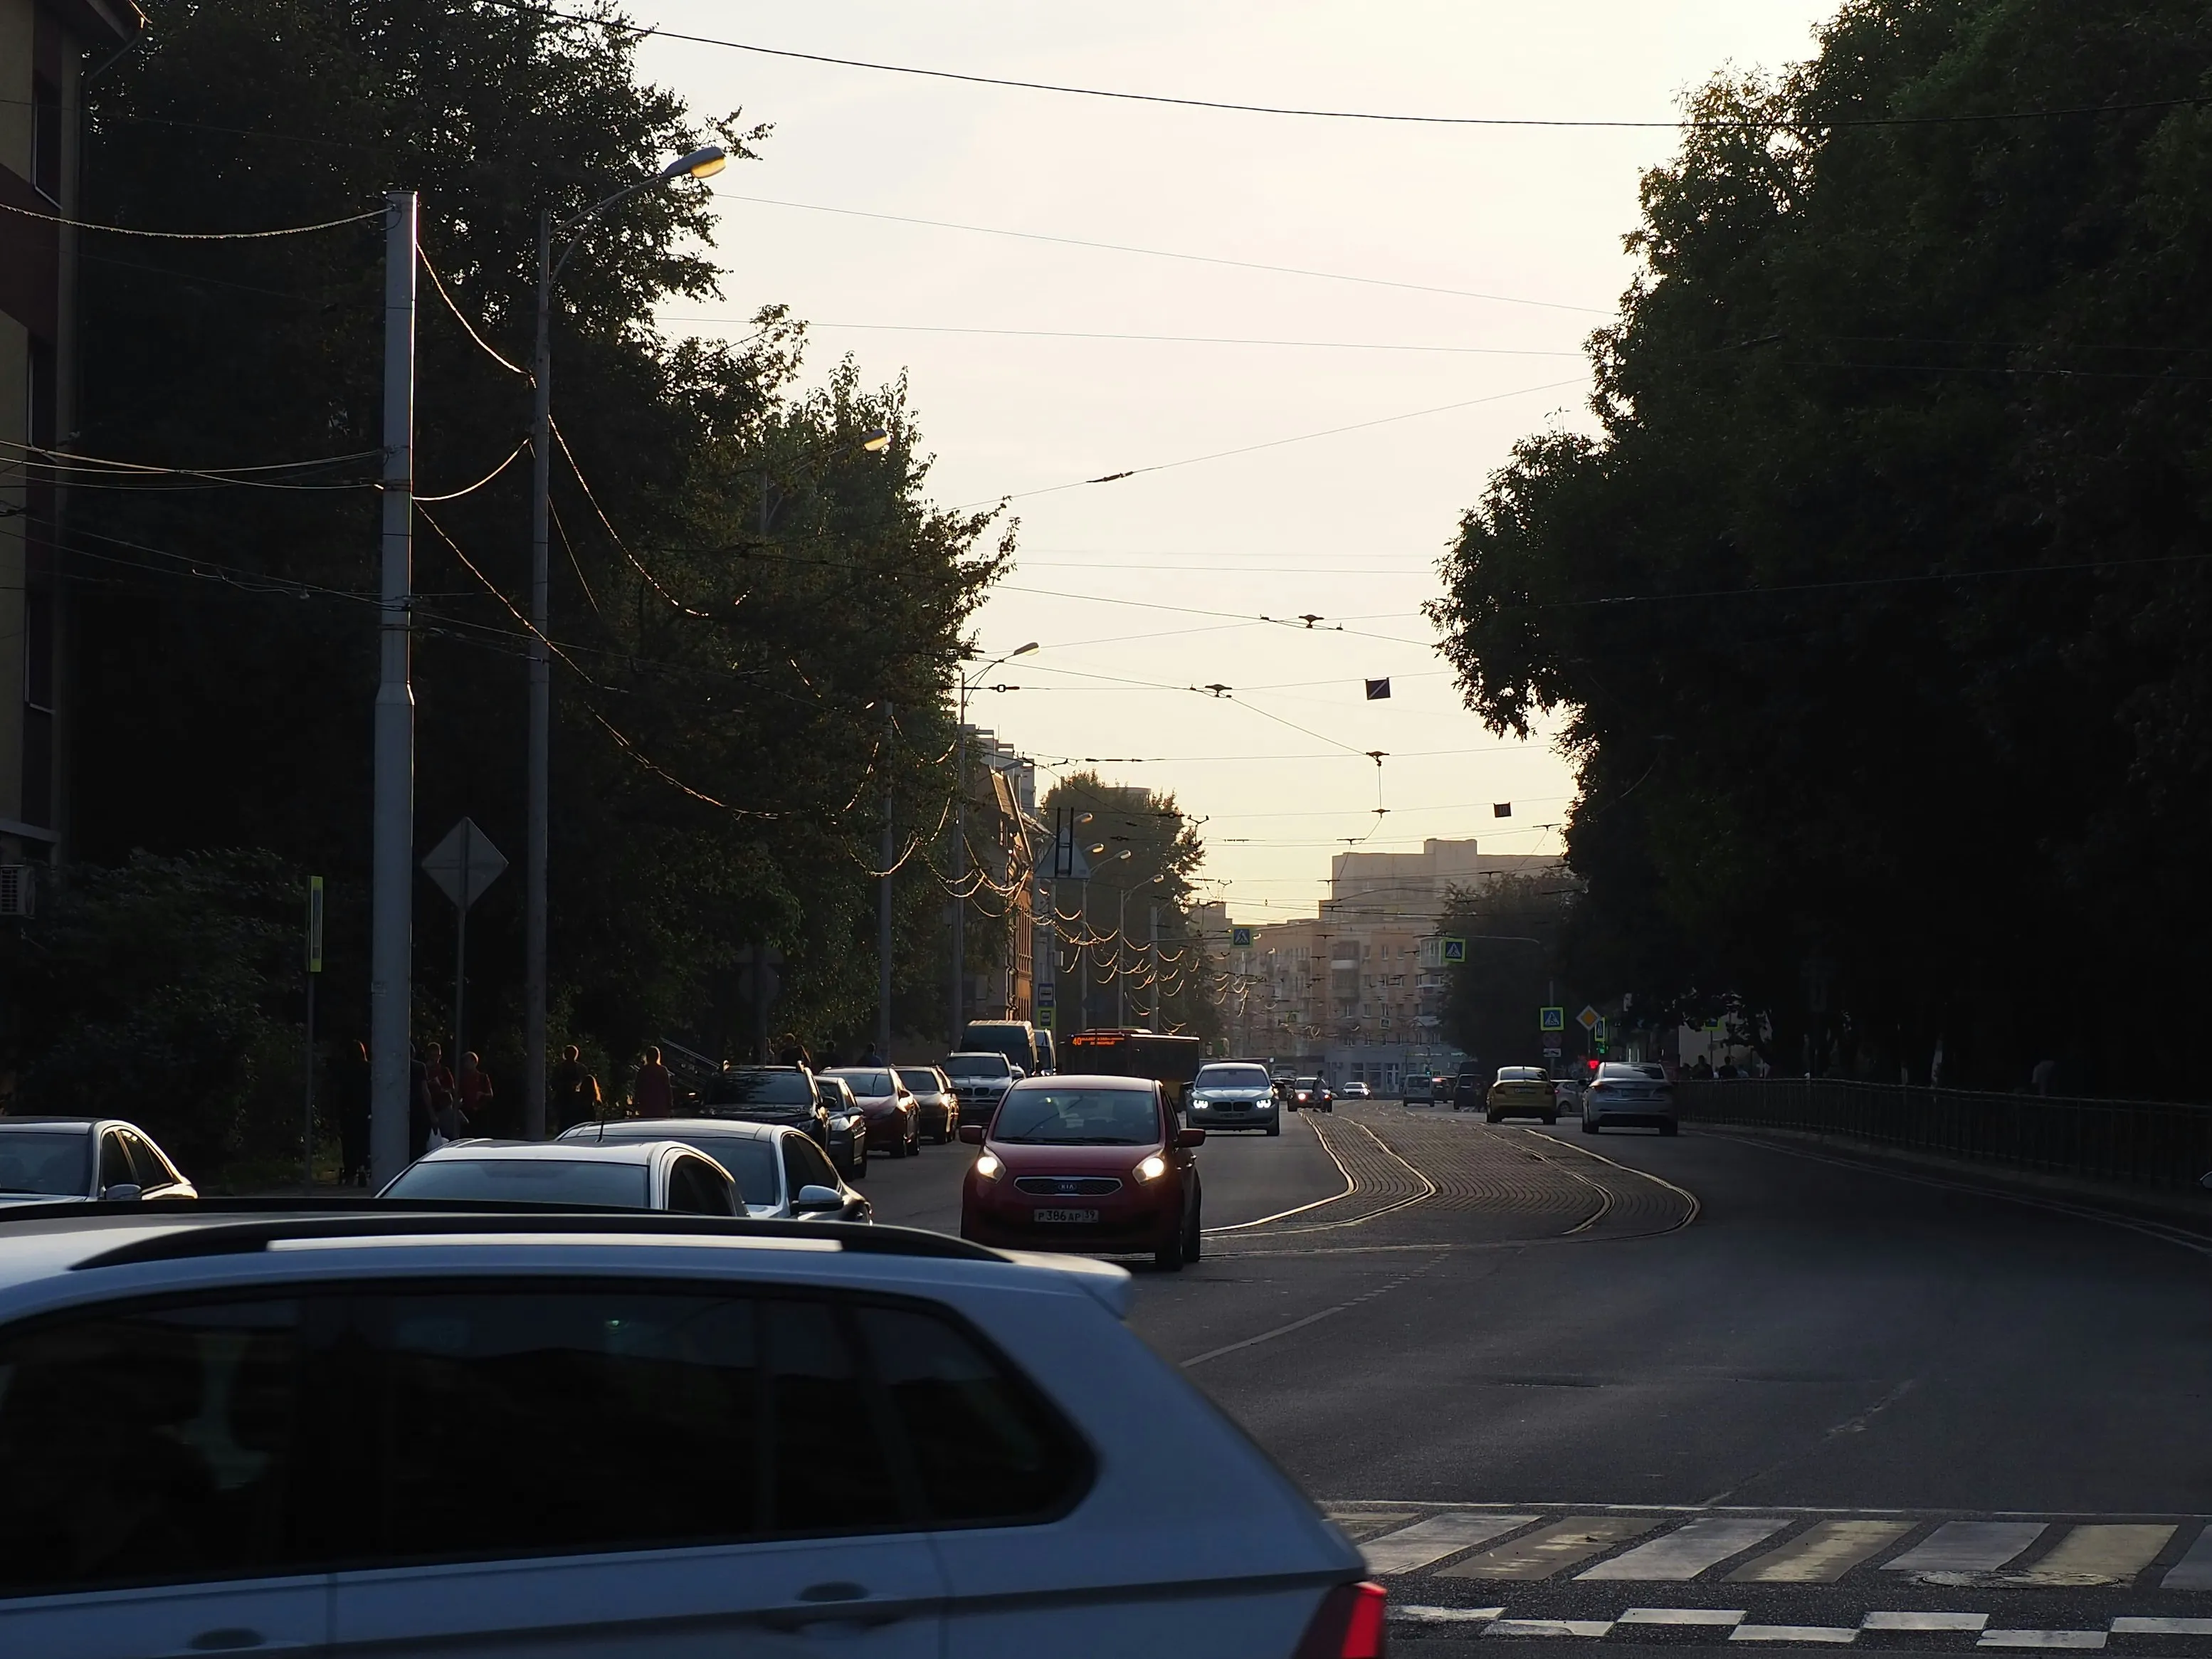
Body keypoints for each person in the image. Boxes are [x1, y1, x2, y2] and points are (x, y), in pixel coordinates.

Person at [334, 1039, 371, 1186]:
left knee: (349, 1142)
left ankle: (350, 1171)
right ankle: (363, 1167)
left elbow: (339, 1092)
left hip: (348, 1110)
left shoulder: (344, 1069)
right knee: (364, 1141)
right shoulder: (368, 1068)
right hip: (365, 1110)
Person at [552, 1045, 601, 1129]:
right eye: (569, 1053)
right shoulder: (559, 1068)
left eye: (572, 1053)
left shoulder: (581, 1068)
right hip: (562, 1098)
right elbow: (554, 1083)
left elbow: (587, 1083)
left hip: (577, 1098)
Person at [633, 1046, 673, 1119]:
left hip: (646, 1106)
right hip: (660, 1106)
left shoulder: (643, 1071)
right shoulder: (662, 1070)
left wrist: (635, 1106)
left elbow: (638, 1089)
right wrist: (669, 1104)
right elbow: (667, 1088)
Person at [458, 1053, 495, 1133]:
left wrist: (482, 1094)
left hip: (479, 1113)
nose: (466, 1064)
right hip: (466, 1112)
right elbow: (459, 1094)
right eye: (465, 1062)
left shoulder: (482, 1077)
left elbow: (490, 1095)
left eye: (468, 1061)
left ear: (474, 1062)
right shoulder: (462, 1079)